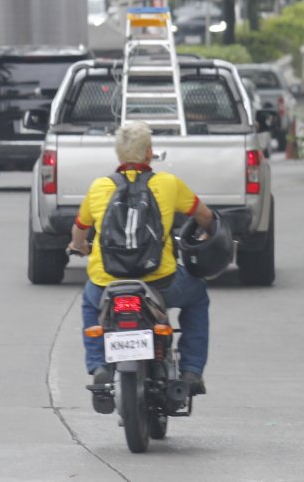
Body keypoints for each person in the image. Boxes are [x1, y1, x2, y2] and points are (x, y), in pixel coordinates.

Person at [71, 120, 215, 404]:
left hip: (107, 283)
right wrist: (207, 233)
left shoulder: (100, 187)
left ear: (119, 155)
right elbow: (205, 216)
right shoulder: (169, 184)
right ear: (149, 153)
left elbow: (79, 230)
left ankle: (100, 365)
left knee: (90, 302)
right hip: (160, 282)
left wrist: (79, 246)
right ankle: (191, 371)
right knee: (197, 295)